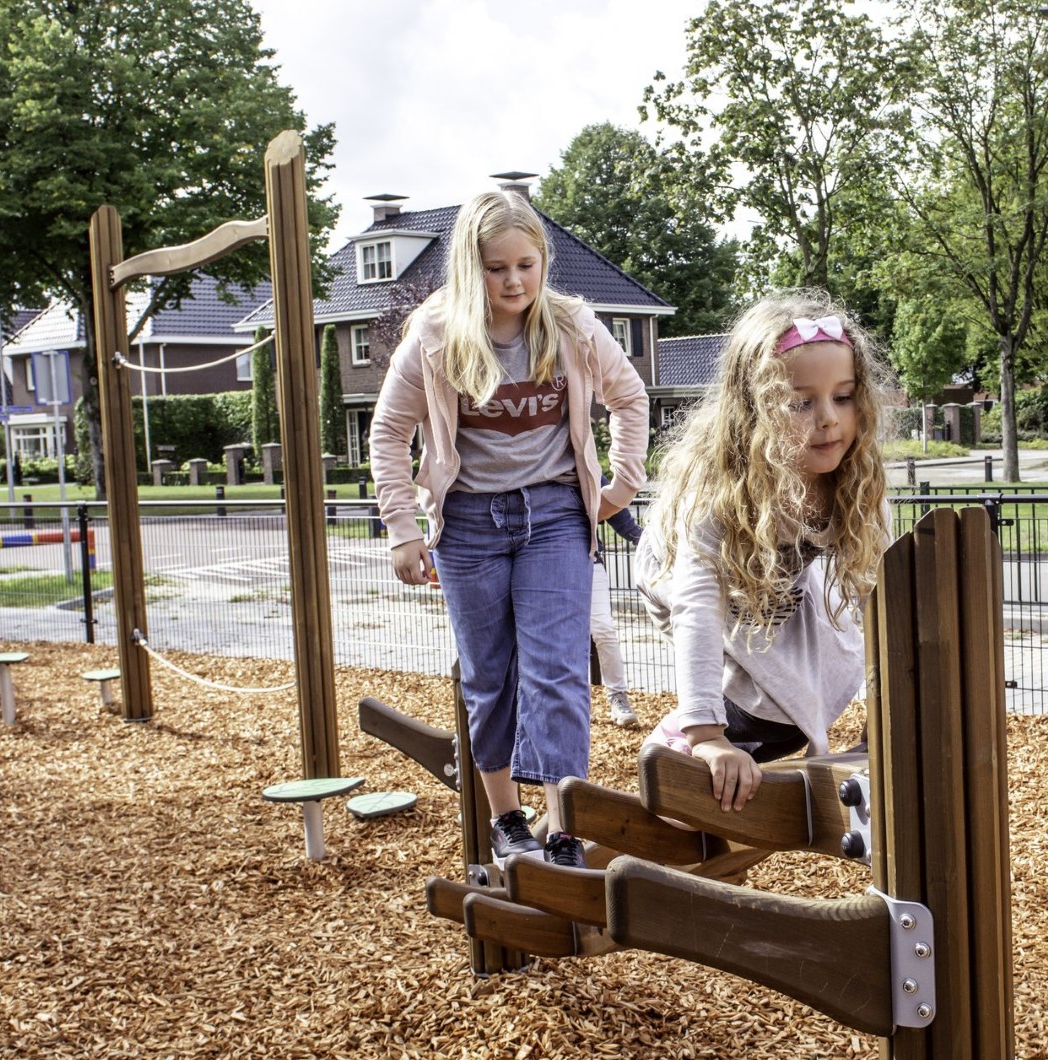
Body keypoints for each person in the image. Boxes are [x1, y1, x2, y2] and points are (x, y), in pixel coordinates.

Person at [371, 189, 648, 869]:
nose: (515, 281)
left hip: (554, 515)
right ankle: (506, 819)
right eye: (498, 269)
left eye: (527, 264)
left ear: (544, 260)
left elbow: (629, 396)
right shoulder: (435, 336)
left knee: (557, 670)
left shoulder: (572, 325)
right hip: (469, 524)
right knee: (490, 674)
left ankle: (563, 826)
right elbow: (389, 431)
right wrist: (402, 527)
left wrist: (622, 485)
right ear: (472, 269)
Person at [635, 291, 891, 812]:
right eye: (801, 403)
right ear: (755, 410)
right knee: (737, 671)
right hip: (676, 575)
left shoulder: (856, 481)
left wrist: (884, 719)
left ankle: (742, 733)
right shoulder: (715, 492)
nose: (828, 418)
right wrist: (708, 736)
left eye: (843, 397)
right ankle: (680, 739)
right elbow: (696, 609)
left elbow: (882, 599)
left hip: (771, 580)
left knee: (799, 672)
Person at [593, 473, 644, 729]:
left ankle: (617, 696)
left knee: (603, 628)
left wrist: (646, 540)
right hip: (540, 562)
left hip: (588, 558)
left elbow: (621, 518)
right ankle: (572, 702)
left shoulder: (587, 465)